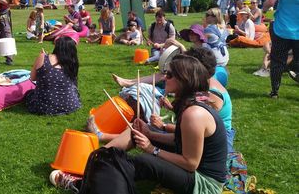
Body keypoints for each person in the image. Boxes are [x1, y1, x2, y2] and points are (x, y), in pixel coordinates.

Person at [51, 55, 227, 194]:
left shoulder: (194, 114)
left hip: (204, 184)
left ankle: (80, 184)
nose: (164, 77)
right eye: (166, 72)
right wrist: (150, 134)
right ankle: (96, 161)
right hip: (192, 168)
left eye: (170, 74)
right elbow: (179, 139)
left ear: (184, 80)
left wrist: (152, 148)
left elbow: (191, 163)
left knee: (144, 161)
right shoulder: (189, 104)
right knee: (136, 132)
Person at [263, 0, 299, 98]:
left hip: (282, 29)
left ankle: (275, 92)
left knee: (277, 61)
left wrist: (263, 9)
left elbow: (271, 2)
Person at [25, 36, 81, 115]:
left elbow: (32, 78)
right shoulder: (72, 63)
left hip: (44, 107)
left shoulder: (44, 58)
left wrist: (42, 57)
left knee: (29, 94)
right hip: (71, 105)